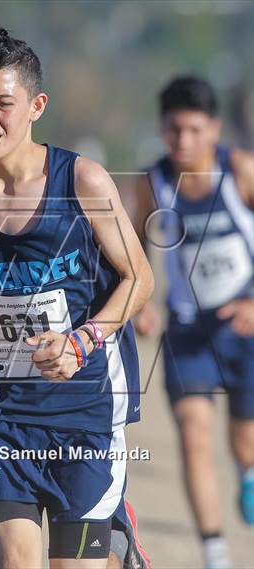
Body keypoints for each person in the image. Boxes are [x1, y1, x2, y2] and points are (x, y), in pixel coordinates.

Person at [0, 28, 154, 569]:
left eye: (3, 103)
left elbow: (140, 279)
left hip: (88, 410)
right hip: (0, 410)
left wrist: (84, 339)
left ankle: (116, 539)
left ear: (36, 105)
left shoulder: (83, 183)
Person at [133, 75, 254, 569]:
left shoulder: (241, 171)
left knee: (243, 439)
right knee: (192, 432)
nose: (183, 141)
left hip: (244, 327)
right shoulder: (153, 182)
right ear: (162, 129)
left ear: (214, 129)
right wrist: (139, 301)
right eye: (173, 130)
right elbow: (133, 246)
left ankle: (248, 471)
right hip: (186, 330)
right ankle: (215, 553)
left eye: (194, 130)